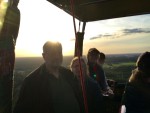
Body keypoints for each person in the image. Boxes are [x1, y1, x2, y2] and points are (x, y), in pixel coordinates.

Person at [13, 41, 85, 113]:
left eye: (60, 53)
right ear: (44, 56)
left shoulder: (69, 75)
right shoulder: (31, 82)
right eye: (53, 53)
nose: (57, 56)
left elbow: (79, 99)